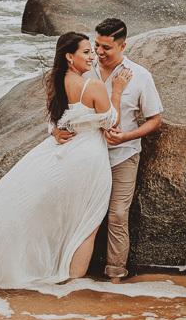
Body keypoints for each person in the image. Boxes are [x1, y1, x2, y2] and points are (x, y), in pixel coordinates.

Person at [0, 32, 132, 288]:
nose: (92, 57)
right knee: (86, 225)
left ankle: (33, 269)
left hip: (60, 154)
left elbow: (53, 120)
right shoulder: (93, 86)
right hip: (87, 159)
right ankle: (73, 288)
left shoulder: (55, 82)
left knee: (42, 217)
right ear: (69, 57)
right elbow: (111, 122)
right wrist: (117, 90)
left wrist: (55, 131)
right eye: (86, 52)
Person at [53, 17, 162, 283]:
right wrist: (54, 130)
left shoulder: (140, 76)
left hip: (121, 155)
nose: (99, 53)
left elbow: (155, 120)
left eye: (106, 48)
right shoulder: (84, 68)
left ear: (122, 46)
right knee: (78, 213)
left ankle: (115, 276)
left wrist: (127, 136)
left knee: (117, 215)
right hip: (85, 156)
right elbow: (60, 108)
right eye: (96, 45)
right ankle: (67, 272)